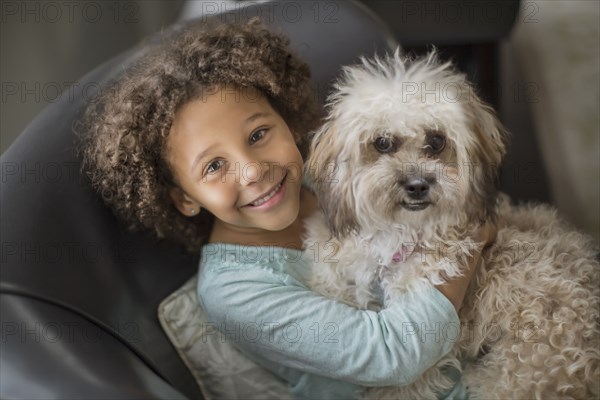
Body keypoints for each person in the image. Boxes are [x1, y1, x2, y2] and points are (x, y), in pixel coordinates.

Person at [78, 17, 495, 400]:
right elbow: (391, 354)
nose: (253, 171)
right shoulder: (235, 291)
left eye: (259, 133)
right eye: (214, 166)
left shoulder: (327, 179)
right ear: (185, 198)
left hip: (485, 348)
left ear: (289, 121)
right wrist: (473, 238)